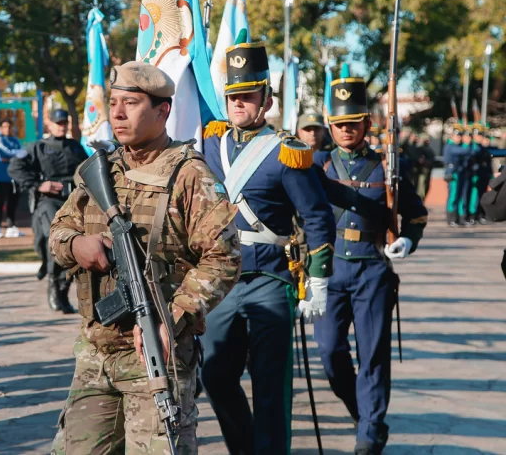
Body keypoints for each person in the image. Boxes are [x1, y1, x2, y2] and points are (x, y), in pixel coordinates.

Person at [48, 61, 241, 454]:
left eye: (131, 103)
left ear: (162, 110)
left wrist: (173, 318)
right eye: (114, 102)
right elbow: (59, 231)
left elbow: (223, 258)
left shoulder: (189, 175)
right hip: (96, 354)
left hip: (155, 354)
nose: (117, 113)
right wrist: (76, 247)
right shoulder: (99, 171)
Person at [199, 40, 335, 454]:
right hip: (223, 279)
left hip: (271, 279)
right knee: (216, 375)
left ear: (266, 100)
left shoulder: (287, 153)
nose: (239, 103)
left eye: (248, 96)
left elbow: (316, 217)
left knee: (270, 383)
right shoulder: (210, 143)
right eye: (233, 96)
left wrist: (318, 278)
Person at [313, 77, 428, 455]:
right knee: (330, 353)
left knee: (373, 357)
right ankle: (364, 414)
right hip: (330, 271)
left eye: (354, 122)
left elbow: (415, 214)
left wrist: (407, 239)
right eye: (340, 123)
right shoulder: (318, 164)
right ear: (331, 125)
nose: (347, 129)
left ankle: (369, 433)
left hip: (372, 271)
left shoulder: (388, 165)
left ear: (366, 124)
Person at [8, 108, 87, 313]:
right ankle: (54, 286)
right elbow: (15, 168)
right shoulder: (38, 147)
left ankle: (63, 291)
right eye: (58, 123)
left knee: (74, 244)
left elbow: (87, 170)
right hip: (49, 202)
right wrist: (37, 185)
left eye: (64, 123)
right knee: (55, 241)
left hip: (73, 201)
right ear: (49, 125)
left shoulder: (76, 147)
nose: (62, 126)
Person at [0, 118, 26, 239]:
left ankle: (11, 227)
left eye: (9, 126)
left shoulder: (15, 140)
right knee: (0, 203)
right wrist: (16, 156)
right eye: (4, 126)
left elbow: (23, 155)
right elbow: (4, 156)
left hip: (14, 177)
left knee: (13, 202)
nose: (7, 129)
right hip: (2, 177)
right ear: (0, 129)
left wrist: (15, 156)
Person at [443, 125, 471, 226]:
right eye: (457, 136)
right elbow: (465, 151)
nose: (459, 138)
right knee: (453, 196)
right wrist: (467, 144)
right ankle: (451, 218)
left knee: (461, 196)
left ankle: (460, 218)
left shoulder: (458, 146)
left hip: (460, 173)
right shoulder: (450, 146)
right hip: (453, 174)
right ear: (452, 136)